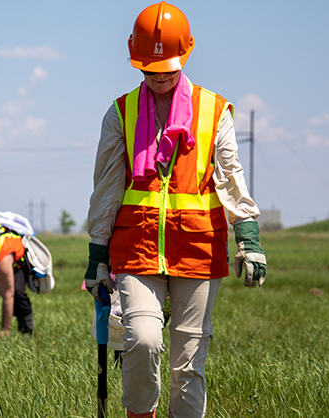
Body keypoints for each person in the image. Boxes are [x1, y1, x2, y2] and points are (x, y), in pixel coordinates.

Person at [84, 3, 267, 417]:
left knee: (188, 364)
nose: (160, 76)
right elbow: (107, 187)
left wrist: (249, 239)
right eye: (150, 69)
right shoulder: (120, 113)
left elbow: (230, 177)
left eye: (167, 68)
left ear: (186, 53)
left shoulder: (215, 111)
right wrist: (97, 255)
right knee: (143, 339)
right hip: (136, 250)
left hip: (199, 252)